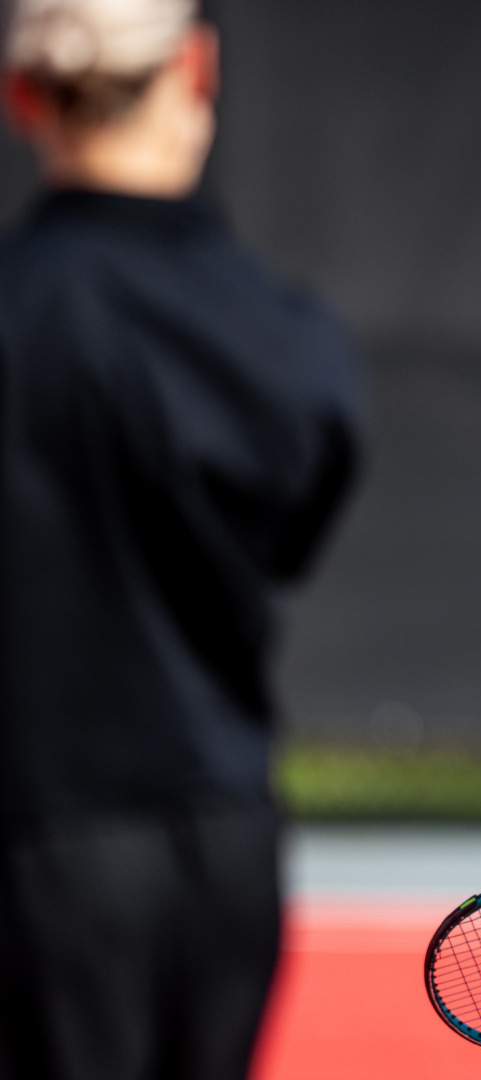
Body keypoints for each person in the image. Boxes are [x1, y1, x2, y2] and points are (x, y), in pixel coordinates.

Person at [0, 2, 360, 1077]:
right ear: (196, 68)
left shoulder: (20, 307)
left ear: (24, 97)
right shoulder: (285, 331)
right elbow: (289, 530)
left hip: (36, 839)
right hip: (223, 845)